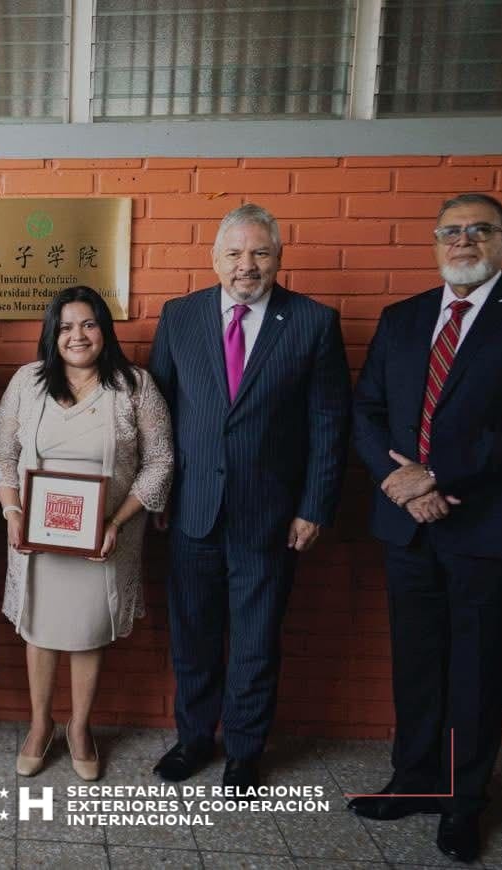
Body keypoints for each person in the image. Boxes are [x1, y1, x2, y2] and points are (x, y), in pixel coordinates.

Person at [350, 193, 502, 863]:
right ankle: (415, 780)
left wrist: (436, 475)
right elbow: (367, 412)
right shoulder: (404, 318)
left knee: (477, 670)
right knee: (417, 662)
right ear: (434, 243)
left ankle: (462, 801)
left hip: (489, 528)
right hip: (409, 528)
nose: (464, 241)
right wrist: (400, 485)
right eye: (451, 231)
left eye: (480, 230)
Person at [147, 203, 351, 792]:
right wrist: (157, 494)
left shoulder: (312, 322)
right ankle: (193, 740)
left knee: (257, 640)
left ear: (278, 258)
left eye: (260, 252)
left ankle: (243, 751)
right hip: (191, 511)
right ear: (214, 260)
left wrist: (315, 506)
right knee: (193, 636)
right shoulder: (180, 316)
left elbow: (328, 424)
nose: (247, 265)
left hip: (271, 517)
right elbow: (157, 415)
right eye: (234, 253)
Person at [0, 285, 173, 781]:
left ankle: (79, 727)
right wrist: (12, 513)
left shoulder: (135, 386)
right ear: (52, 334)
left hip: (102, 540)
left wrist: (115, 524)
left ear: (105, 330)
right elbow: (4, 457)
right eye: (66, 326)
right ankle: (39, 726)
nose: (78, 335)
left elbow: (161, 462)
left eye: (89, 323)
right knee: (39, 630)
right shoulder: (26, 383)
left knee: (87, 632)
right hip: (37, 539)